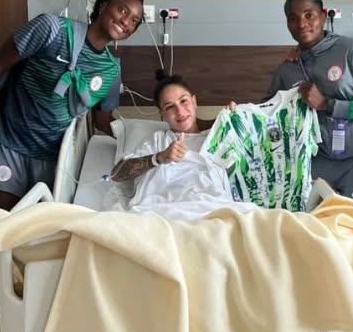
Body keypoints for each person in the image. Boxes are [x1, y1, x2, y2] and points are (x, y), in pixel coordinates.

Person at [0, 0, 145, 209]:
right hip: (8, 144)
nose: (126, 21)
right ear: (102, 6)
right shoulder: (52, 30)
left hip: (52, 158)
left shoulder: (111, 71)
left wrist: (143, 143)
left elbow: (102, 122)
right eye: (122, 10)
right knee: (2, 219)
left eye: (135, 20)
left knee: (37, 226)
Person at [266, 0, 353, 214]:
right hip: (315, 160)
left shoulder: (352, 50)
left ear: (323, 15)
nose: (301, 24)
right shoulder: (288, 69)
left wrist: (328, 105)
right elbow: (267, 113)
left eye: (309, 15)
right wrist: (237, 113)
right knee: (311, 225)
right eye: (293, 18)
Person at [107, 71, 252, 221]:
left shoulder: (219, 136)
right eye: (170, 107)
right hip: (163, 212)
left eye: (184, 101)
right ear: (162, 114)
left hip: (215, 211)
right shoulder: (159, 140)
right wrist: (159, 158)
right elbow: (117, 174)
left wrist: (241, 120)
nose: (180, 111)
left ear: (194, 102)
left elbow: (256, 155)